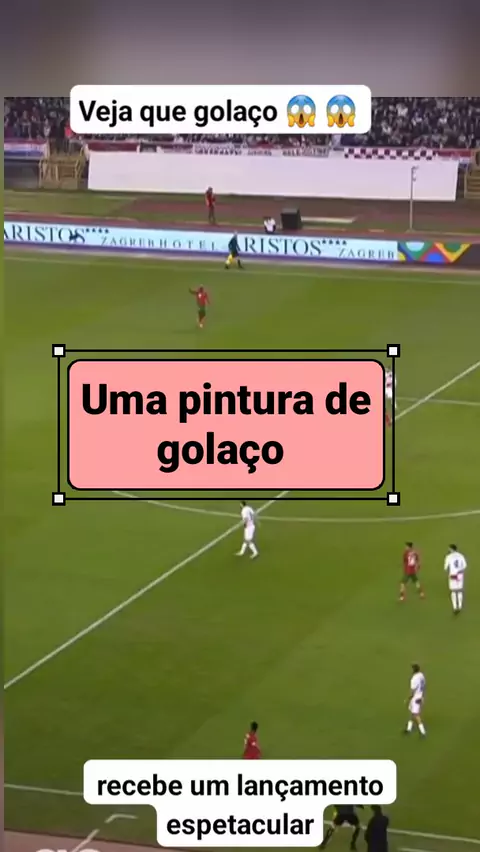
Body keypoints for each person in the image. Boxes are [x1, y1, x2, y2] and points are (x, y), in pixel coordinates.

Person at [444, 544, 467, 614]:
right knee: (459, 591)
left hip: (452, 575)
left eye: (449, 549)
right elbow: (465, 566)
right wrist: (459, 571)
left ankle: (455, 607)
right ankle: (460, 606)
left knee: (453, 591)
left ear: (451, 549)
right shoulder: (461, 556)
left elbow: (445, 568)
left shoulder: (448, 557)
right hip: (460, 575)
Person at [404, 663, 426, 737]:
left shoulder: (414, 679)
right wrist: (422, 696)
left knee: (416, 715)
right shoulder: (421, 675)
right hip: (420, 695)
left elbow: (412, 691)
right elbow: (423, 686)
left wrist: (408, 699)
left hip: (415, 698)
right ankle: (409, 729)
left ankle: (423, 732)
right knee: (412, 713)